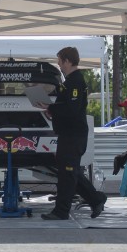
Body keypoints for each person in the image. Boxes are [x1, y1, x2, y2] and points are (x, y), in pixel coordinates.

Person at [35, 46, 107, 220]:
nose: (59, 65)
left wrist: (51, 108)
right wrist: (50, 109)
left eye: (60, 61)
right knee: (69, 172)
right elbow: (66, 107)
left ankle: (61, 211)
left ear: (67, 61)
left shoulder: (75, 82)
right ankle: (96, 198)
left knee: (67, 174)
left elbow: (72, 110)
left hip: (73, 135)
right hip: (69, 134)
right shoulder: (69, 82)